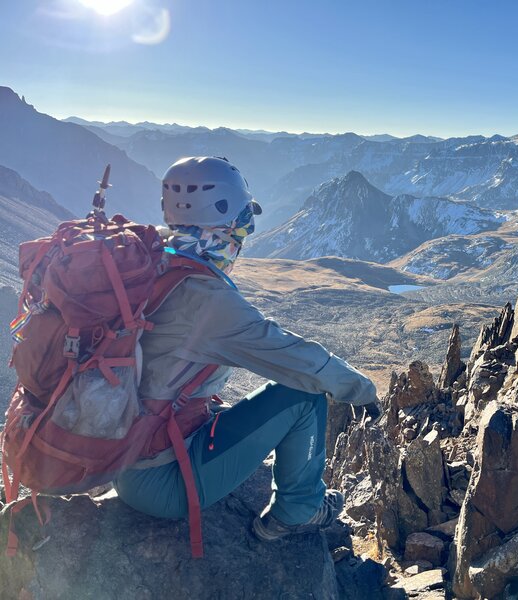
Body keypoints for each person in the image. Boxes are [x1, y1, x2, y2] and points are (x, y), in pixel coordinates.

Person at [112, 156, 379, 541]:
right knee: (303, 397)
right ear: (225, 225)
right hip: (161, 482)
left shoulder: (153, 260)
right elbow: (298, 361)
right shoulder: (205, 299)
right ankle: (297, 511)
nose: (244, 236)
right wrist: (361, 390)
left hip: (126, 459)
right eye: (243, 223)